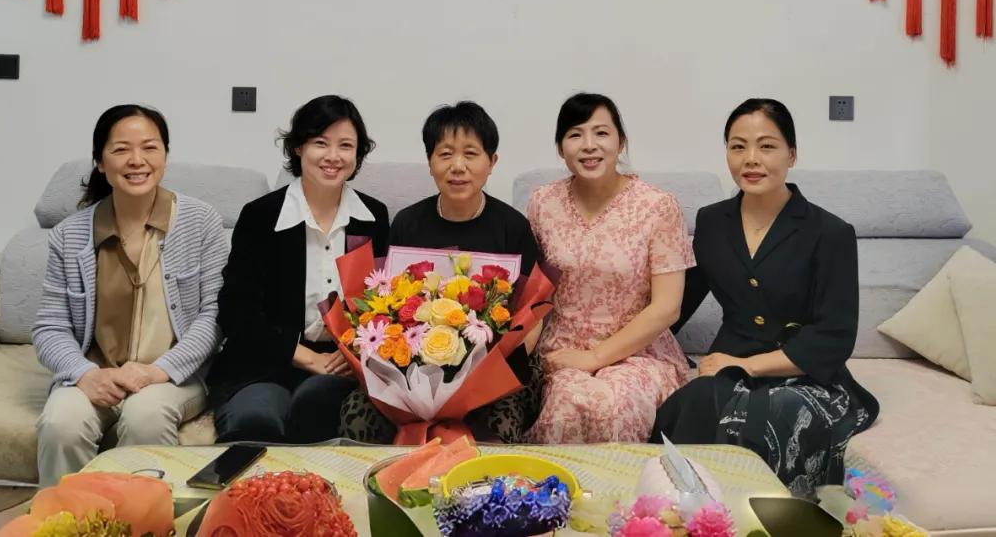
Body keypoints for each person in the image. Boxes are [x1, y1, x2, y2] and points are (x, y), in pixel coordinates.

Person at [652, 98, 879, 497]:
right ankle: (682, 513)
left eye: (767, 146)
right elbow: (679, 301)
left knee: (769, 418)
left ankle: (763, 517)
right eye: (738, 146)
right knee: (692, 403)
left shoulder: (831, 233)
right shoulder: (712, 221)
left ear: (792, 154)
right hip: (728, 365)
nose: (751, 159)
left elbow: (835, 336)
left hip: (804, 375)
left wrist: (747, 365)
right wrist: (622, 346)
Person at [33, 105, 227, 484]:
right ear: (100, 162)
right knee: (60, 423)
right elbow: (50, 328)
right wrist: (85, 374)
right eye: (121, 149)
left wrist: (156, 371)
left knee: (145, 416)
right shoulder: (69, 234)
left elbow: (214, 317)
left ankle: (142, 515)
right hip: (96, 372)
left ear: (165, 156)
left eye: (150, 148)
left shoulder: (200, 221)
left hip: (172, 376)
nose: (137, 160)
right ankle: (66, 515)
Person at [340, 101, 542, 443]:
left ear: (491, 162)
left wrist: (494, 369)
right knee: (356, 414)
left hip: (494, 371)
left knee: (501, 425)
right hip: (410, 370)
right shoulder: (407, 223)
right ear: (430, 162)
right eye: (445, 154)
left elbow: (533, 314)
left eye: (471, 154)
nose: (457, 166)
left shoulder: (513, 227)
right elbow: (386, 304)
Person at [208, 95, 389, 444]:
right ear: (298, 147)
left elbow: (382, 304)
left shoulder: (373, 218)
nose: (333, 156)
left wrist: (351, 355)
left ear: (358, 154)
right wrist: (305, 357)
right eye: (320, 143)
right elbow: (236, 311)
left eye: (345, 146)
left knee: (316, 403)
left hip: (341, 364)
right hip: (265, 363)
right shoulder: (261, 216)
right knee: (257, 419)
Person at [525, 93, 692, 444]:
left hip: (639, 351)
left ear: (621, 142)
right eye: (575, 134)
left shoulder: (658, 206)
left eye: (601, 133)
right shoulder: (542, 203)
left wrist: (596, 357)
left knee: (615, 405)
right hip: (563, 349)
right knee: (567, 405)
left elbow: (667, 307)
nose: (589, 145)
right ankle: (550, 483)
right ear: (560, 148)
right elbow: (534, 292)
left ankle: (623, 483)